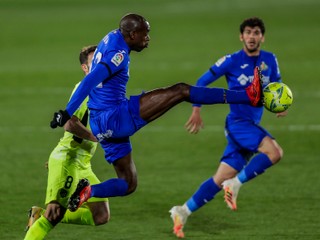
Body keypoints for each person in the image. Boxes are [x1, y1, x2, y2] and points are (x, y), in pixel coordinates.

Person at [49, 13, 263, 214]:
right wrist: (66, 112)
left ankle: (89, 191)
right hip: (114, 116)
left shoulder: (113, 36)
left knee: (127, 183)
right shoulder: (118, 55)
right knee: (181, 91)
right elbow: (91, 79)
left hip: (101, 122)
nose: (148, 38)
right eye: (145, 34)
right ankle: (248, 95)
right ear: (132, 35)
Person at [169, 17, 287, 238]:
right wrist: (196, 108)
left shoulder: (270, 60)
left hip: (250, 125)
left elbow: (277, 84)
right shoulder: (231, 61)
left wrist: (280, 104)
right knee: (274, 152)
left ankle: (182, 211)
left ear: (262, 36)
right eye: (248, 32)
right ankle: (235, 184)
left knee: (219, 178)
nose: (252, 37)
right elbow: (201, 82)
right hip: (238, 124)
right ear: (241, 36)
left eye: (256, 32)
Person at [24, 46, 110, 240]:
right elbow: (70, 124)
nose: (98, 66)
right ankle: (42, 219)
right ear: (85, 68)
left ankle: (38, 215)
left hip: (82, 164)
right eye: (93, 63)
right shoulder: (85, 90)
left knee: (100, 214)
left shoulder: (101, 90)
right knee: (53, 215)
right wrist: (94, 137)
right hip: (69, 160)